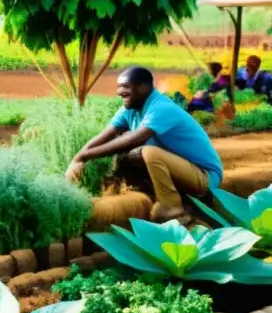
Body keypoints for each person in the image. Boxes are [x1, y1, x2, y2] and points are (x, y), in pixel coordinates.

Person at [66, 66, 223, 222]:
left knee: (148, 152)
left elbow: (137, 138)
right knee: (128, 154)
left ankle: (172, 207)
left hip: (204, 177)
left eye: (125, 87)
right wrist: (79, 158)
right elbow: (105, 136)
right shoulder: (130, 109)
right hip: (180, 170)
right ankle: (138, 191)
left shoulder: (161, 107)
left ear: (143, 87)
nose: (119, 92)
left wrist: (86, 155)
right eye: (119, 87)